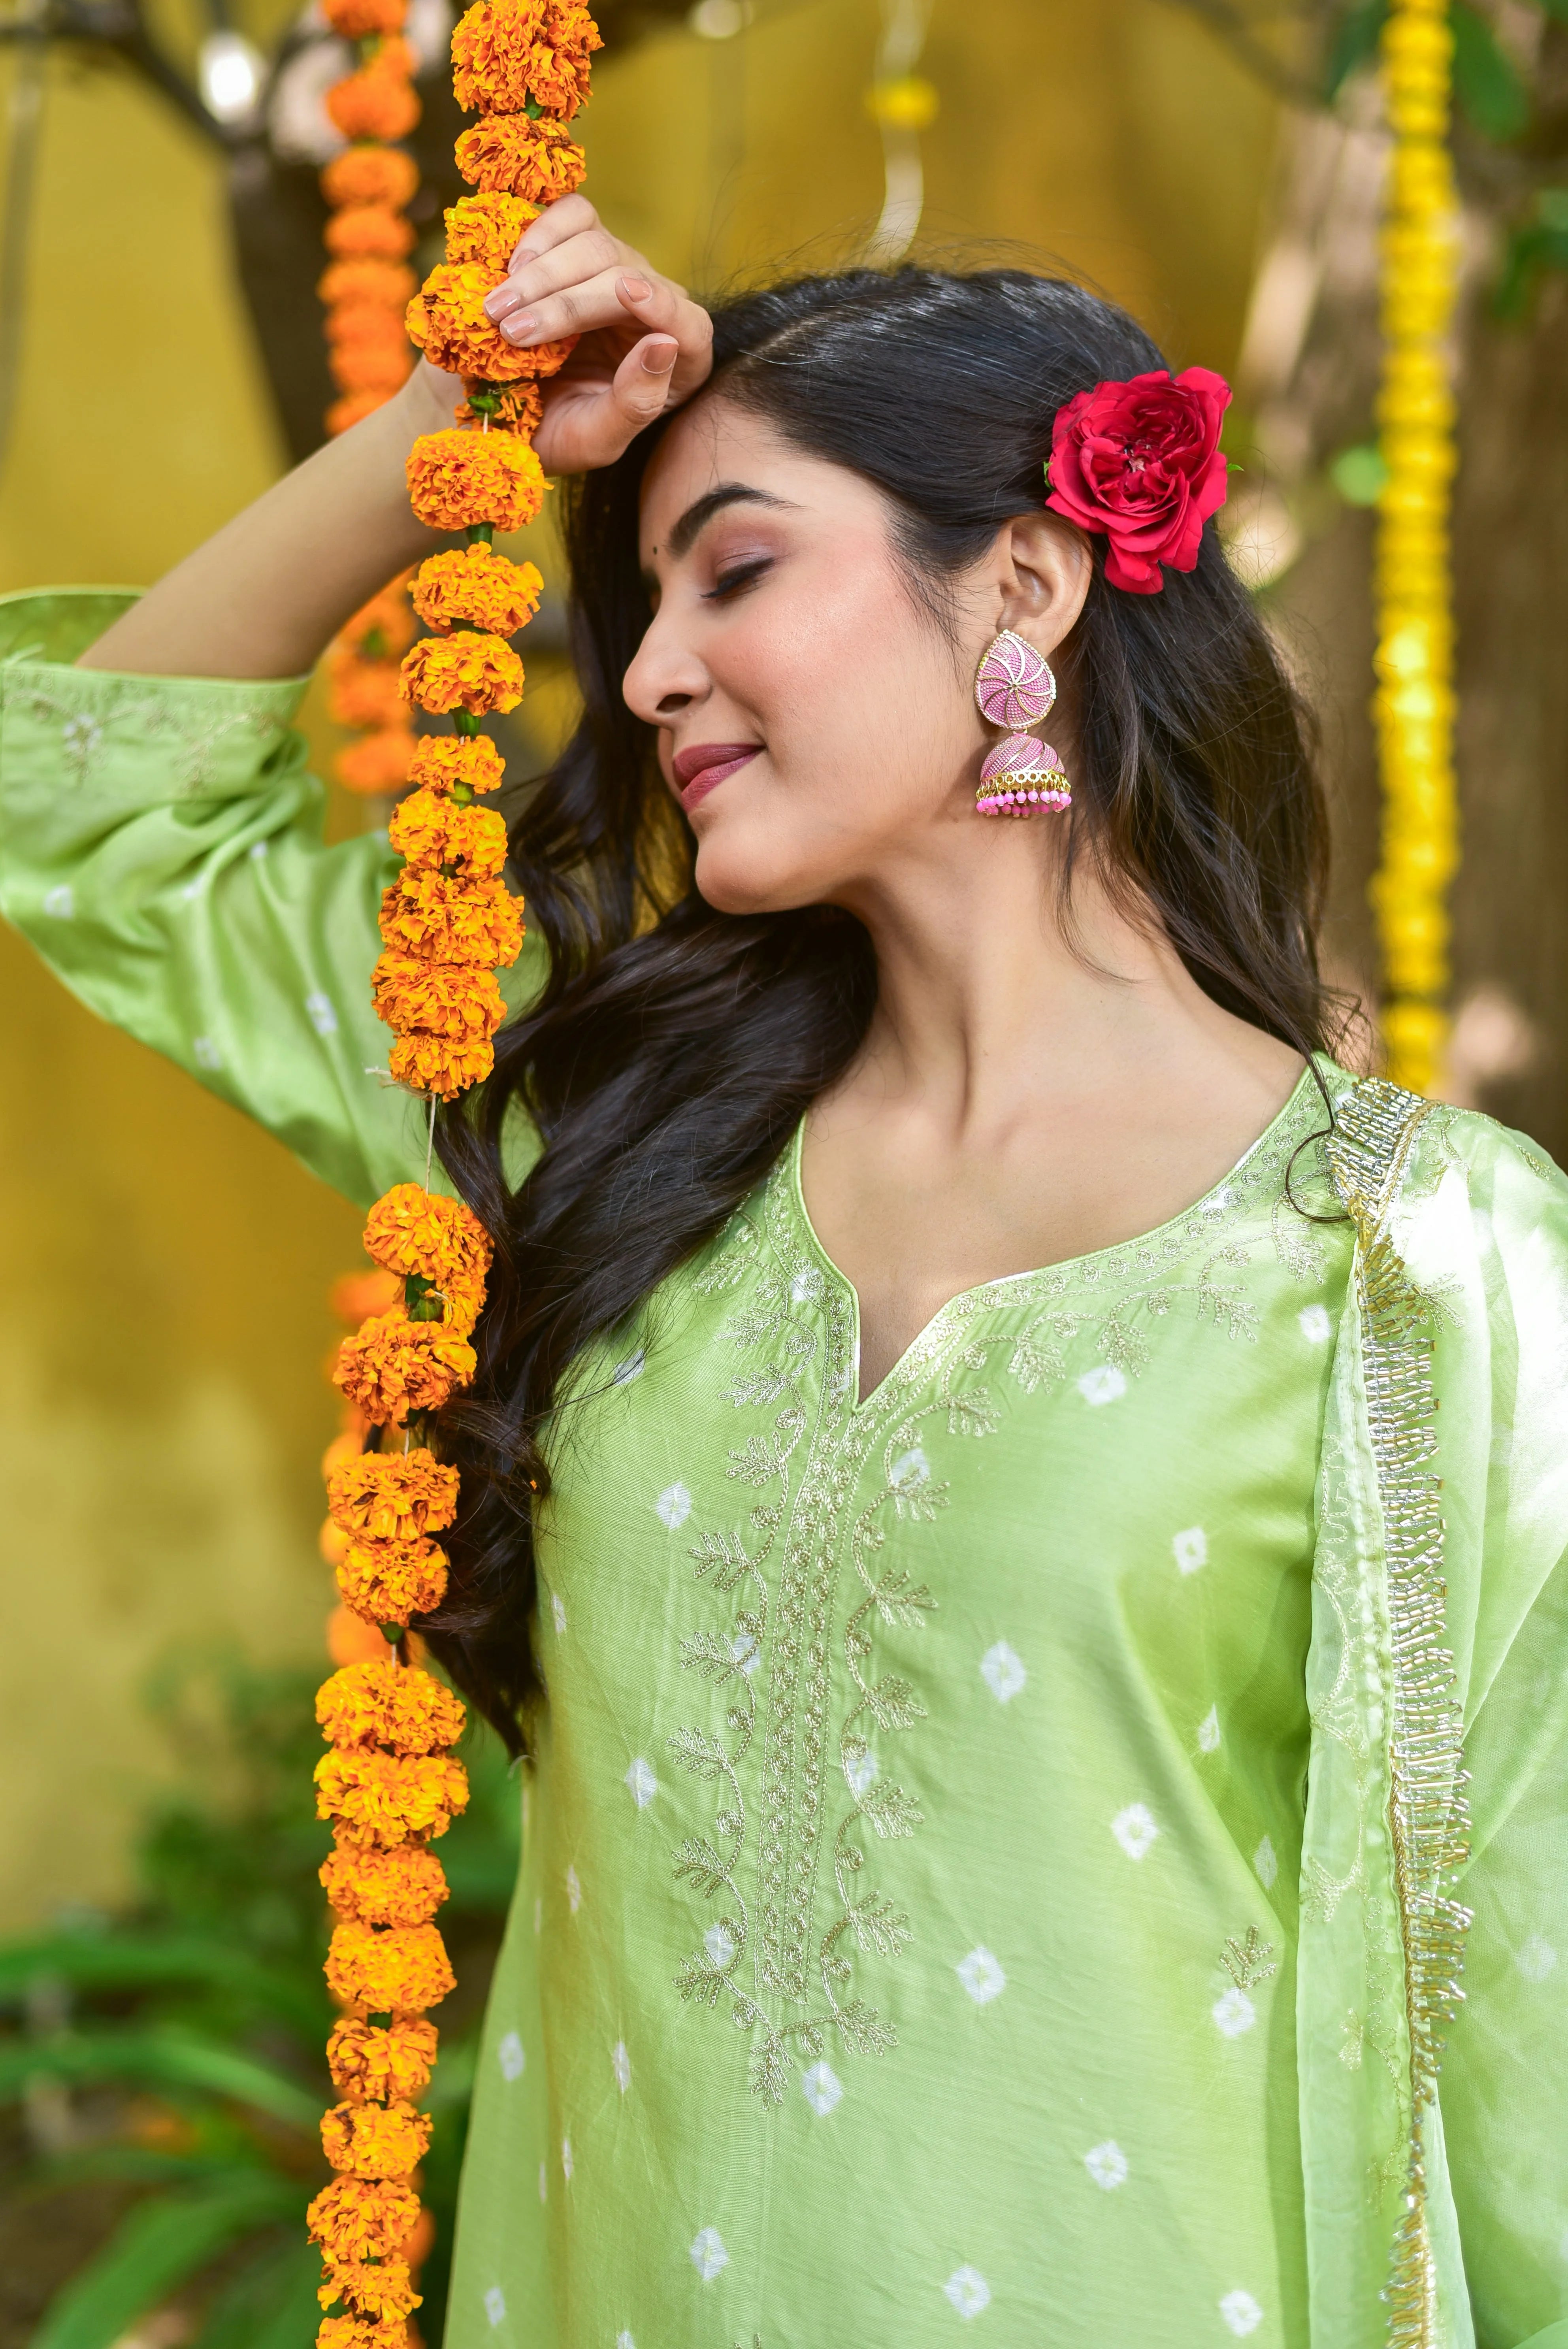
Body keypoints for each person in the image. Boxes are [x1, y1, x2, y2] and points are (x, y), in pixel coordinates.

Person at [2, 198, 1566, 2349]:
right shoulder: (601, 1117)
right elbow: (97, 808)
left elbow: (1531, 2025)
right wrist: (461, 420)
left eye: (734, 565)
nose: (645, 672)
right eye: (644, 594)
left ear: (1023, 575)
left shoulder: (1416, 1258)